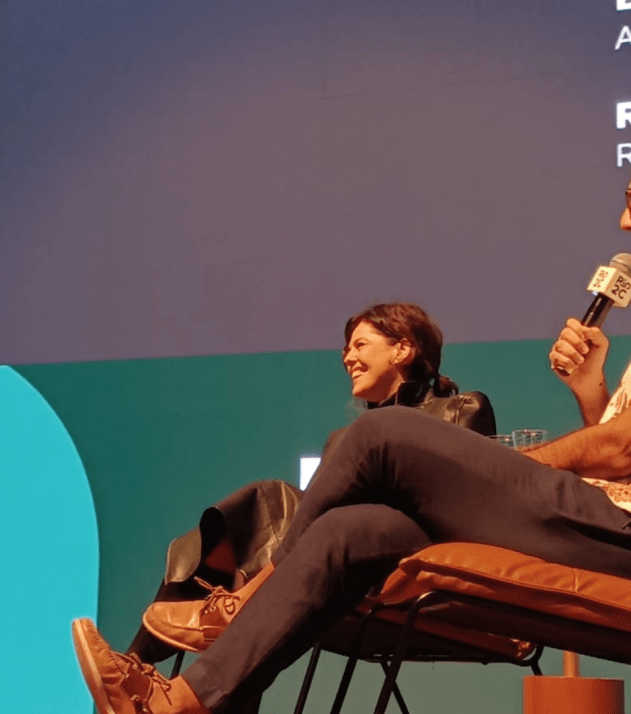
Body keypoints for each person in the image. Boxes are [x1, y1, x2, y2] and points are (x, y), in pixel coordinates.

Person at [70, 181, 631, 714]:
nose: (625, 220)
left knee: (379, 435)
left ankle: (245, 602)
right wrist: (592, 392)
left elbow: (621, 449)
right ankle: (180, 704)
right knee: (349, 531)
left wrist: (512, 469)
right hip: (599, 522)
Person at [129, 302, 495, 662]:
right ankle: (145, 661)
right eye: (346, 349)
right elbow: (317, 512)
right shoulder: (342, 439)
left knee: (267, 499)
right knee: (239, 528)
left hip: (396, 558)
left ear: (402, 349)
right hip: (325, 560)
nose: (348, 358)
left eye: (360, 345)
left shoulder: (460, 410)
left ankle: (144, 658)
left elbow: (461, 504)